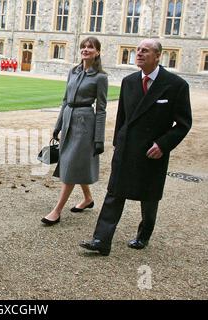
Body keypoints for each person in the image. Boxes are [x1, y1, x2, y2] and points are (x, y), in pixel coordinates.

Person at [80, 39, 192, 256]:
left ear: (158, 56)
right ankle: (101, 240)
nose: (139, 53)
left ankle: (144, 234)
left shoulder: (176, 85)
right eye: (138, 50)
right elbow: (123, 116)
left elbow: (184, 123)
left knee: (148, 197)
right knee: (114, 193)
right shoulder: (129, 81)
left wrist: (163, 144)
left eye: (145, 51)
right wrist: (117, 143)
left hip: (153, 150)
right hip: (127, 146)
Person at [41, 37, 107, 226]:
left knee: (69, 164)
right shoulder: (73, 71)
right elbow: (65, 100)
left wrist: (99, 138)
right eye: (84, 47)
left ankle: (57, 211)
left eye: (90, 47)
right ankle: (87, 198)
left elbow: (101, 109)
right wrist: (58, 125)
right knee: (72, 161)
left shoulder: (100, 77)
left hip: (85, 122)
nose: (86, 49)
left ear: (97, 52)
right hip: (69, 117)